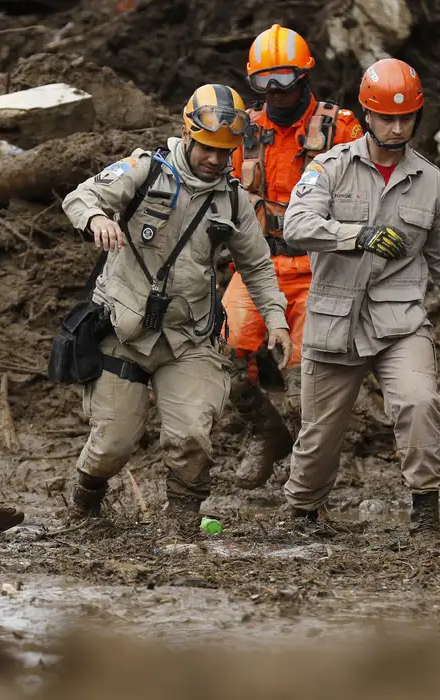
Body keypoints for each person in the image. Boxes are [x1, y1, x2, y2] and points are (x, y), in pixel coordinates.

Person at [280, 58, 440, 539]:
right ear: (367, 115)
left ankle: (425, 512)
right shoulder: (330, 169)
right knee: (319, 437)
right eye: (387, 116)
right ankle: (303, 512)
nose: (397, 126)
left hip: (399, 322)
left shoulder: (432, 183)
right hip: (334, 321)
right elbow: (295, 226)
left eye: (406, 117)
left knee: (421, 402)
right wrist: (355, 235)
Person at [60, 83, 291, 539]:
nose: (215, 159)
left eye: (225, 152)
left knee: (191, 437)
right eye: (207, 148)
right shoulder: (145, 170)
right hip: (123, 333)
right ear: (188, 135)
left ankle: (182, 524)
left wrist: (277, 320)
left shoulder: (232, 199)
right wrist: (98, 219)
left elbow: (258, 265)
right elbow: (80, 197)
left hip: (189, 335)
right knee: (112, 445)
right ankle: (84, 502)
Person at [221, 24, 364, 487]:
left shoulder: (341, 128)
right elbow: (215, 193)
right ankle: (265, 431)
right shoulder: (243, 132)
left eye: (283, 78)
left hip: (320, 266)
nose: (275, 91)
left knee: (310, 380)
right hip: (258, 264)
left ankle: (308, 480)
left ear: (304, 76)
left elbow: (368, 195)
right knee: (220, 349)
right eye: (264, 81)